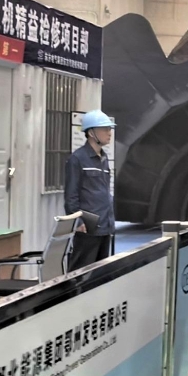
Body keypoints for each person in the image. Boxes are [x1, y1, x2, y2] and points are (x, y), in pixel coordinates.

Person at [64, 109, 116, 271]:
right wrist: (78, 222)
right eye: (105, 129)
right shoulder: (77, 159)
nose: (109, 133)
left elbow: (104, 192)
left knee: (100, 274)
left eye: (110, 129)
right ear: (92, 133)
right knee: (81, 273)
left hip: (105, 226)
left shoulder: (104, 158)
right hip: (87, 228)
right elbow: (71, 196)